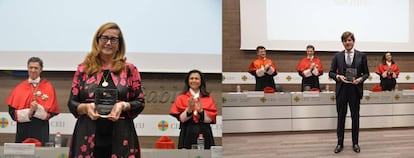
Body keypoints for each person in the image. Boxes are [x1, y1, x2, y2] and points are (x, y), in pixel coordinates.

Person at [67, 22, 145, 158]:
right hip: (87, 135)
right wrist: (86, 107)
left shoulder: (129, 69)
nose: (108, 43)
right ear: (97, 41)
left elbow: (140, 102)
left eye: (113, 39)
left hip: (121, 135)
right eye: (104, 38)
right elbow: (72, 103)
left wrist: (123, 105)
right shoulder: (83, 69)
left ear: (119, 44)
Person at [329, 31, 369, 154]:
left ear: (353, 41)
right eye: (345, 40)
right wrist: (338, 77)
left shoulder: (362, 56)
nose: (348, 42)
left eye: (350, 40)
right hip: (342, 90)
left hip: (355, 91)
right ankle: (339, 143)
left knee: (355, 118)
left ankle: (355, 143)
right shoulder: (337, 56)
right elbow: (331, 72)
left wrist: (360, 79)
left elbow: (366, 73)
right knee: (341, 117)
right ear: (343, 42)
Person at [6, 57, 60, 146]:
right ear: (27, 68)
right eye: (30, 67)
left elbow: (52, 111)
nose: (33, 70)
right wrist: (30, 112)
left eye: (36, 68)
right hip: (23, 130)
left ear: (41, 70)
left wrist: (37, 109)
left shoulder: (48, 86)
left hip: (40, 130)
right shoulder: (19, 87)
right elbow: (12, 112)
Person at [170, 69, 218, 149]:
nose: (194, 81)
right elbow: (181, 118)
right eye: (191, 78)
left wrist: (201, 111)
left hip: (204, 131)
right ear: (188, 81)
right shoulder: (181, 97)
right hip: (187, 131)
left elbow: (211, 119)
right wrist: (189, 110)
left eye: (196, 78)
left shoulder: (208, 97)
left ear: (201, 81)